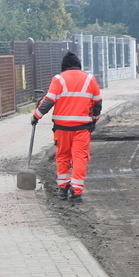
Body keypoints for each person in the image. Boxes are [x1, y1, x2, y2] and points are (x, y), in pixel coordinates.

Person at [32, 51, 102, 204]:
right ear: (79, 66)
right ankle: (76, 192)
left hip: (62, 128)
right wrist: (94, 120)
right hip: (82, 128)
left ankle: (63, 189)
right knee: (79, 158)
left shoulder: (58, 79)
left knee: (62, 156)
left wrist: (36, 115)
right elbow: (97, 103)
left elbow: (48, 101)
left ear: (64, 67)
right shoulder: (90, 79)